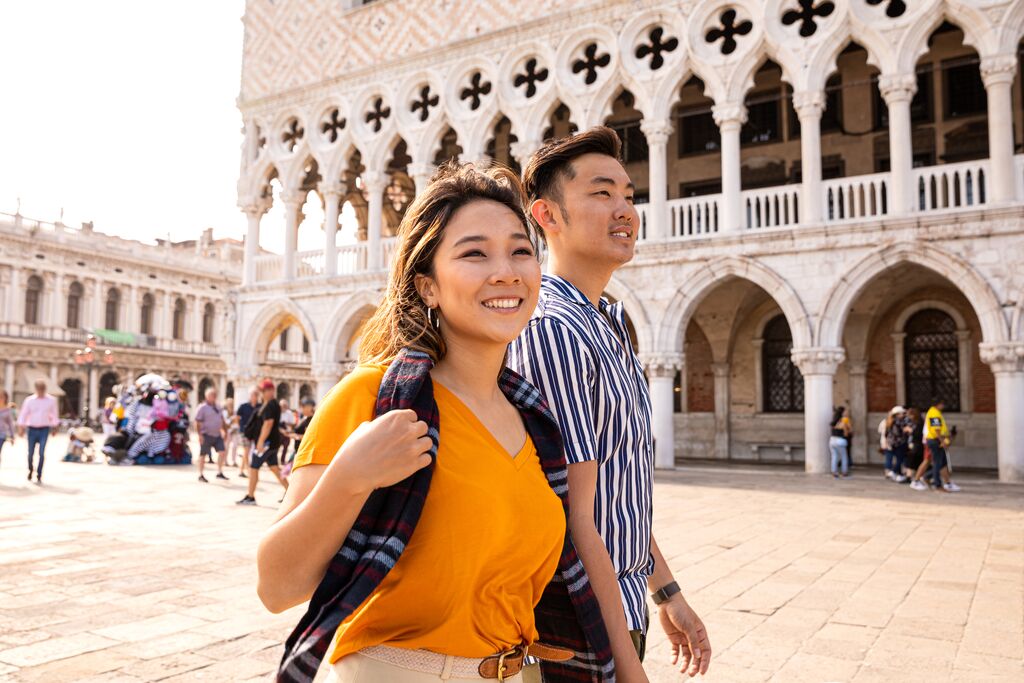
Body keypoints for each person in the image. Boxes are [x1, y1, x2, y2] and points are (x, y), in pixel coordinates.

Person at [258, 162, 614, 682]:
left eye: (520, 249)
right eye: (474, 253)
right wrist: (350, 477)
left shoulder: (535, 422)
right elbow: (276, 586)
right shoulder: (375, 397)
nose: (506, 271)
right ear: (428, 286)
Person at [508, 127, 710, 681]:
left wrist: (665, 590)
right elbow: (575, 516)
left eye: (629, 195)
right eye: (602, 194)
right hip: (576, 621)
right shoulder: (553, 329)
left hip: (618, 603)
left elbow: (616, 495)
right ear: (546, 215)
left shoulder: (609, 323)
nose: (624, 209)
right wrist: (625, 664)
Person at [237, 379, 287, 505]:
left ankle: (250, 496)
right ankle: (291, 492)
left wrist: (260, 442)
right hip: (272, 443)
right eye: (262, 391)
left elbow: (268, 423)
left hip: (266, 444)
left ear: (271, 391)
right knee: (275, 468)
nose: (263, 393)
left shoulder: (270, 404)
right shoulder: (270, 403)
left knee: (253, 468)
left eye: (265, 390)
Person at [911, 398, 962, 493]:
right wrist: (942, 441)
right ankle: (937, 485)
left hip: (935, 440)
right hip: (934, 440)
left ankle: (943, 482)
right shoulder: (934, 413)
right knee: (937, 463)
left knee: (942, 463)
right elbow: (936, 429)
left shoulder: (934, 412)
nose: (943, 406)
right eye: (942, 404)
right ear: (938, 404)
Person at [17, 380, 59, 484]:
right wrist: (21, 427)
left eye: (42, 389)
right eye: (39, 389)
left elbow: (54, 414)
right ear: (36, 389)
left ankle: (39, 473)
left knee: (41, 453)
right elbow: (24, 414)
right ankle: (30, 469)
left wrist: (55, 427)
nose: (41, 391)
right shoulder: (29, 400)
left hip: (44, 429)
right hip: (31, 428)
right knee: (30, 453)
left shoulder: (51, 400)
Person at [195, 388, 228, 482]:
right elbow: (197, 421)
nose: (213, 397)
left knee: (222, 452)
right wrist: (200, 435)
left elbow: (222, 419)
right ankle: (201, 474)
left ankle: (219, 472)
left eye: (214, 395)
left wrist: (225, 431)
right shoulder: (202, 407)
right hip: (206, 434)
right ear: (207, 396)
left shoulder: (219, 407)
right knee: (203, 455)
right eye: (211, 395)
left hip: (217, 434)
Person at [235, 388, 260, 478]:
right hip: (245, 432)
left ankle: (241, 470)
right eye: (253, 395)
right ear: (250, 396)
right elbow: (237, 417)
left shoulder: (260, 406)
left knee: (247, 451)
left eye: (256, 395)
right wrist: (241, 428)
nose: (255, 397)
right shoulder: (243, 406)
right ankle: (248, 470)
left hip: (255, 432)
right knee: (246, 450)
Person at [883, 406, 912, 483]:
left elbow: (886, 433)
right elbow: (905, 430)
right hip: (900, 443)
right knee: (900, 459)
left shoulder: (890, 421)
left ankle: (898, 474)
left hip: (892, 443)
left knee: (898, 459)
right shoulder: (898, 421)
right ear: (897, 414)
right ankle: (893, 471)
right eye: (902, 413)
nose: (904, 415)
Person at [829, 406, 852, 478]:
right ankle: (844, 472)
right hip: (840, 440)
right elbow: (846, 433)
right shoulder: (844, 421)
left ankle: (834, 472)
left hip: (832, 440)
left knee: (834, 456)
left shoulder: (834, 421)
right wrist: (848, 429)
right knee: (844, 457)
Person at [278, 398, 296, 462]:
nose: (283, 407)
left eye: (284, 405)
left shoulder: (289, 413)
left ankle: (282, 460)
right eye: (282, 405)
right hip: (278, 432)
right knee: (276, 447)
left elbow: (293, 423)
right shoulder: (277, 412)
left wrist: (286, 423)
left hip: (287, 432)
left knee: (285, 447)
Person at [223, 397, 239, 468]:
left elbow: (237, 421)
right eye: (229, 403)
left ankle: (234, 461)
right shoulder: (224, 412)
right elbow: (226, 423)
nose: (230, 404)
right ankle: (225, 460)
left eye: (231, 403)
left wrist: (232, 421)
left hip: (235, 431)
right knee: (226, 447)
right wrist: (232, 420)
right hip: (228, 431)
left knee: (235, 446)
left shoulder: (235, 411)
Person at [0, 390, 15, 467]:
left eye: (2, 397)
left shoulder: (7, 410)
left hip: (1, 434)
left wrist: (12, 436)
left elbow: (10, 424)